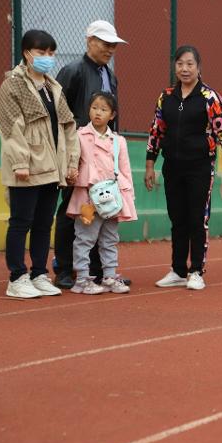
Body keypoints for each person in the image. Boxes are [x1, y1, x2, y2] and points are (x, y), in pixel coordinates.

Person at [145, 45, 222, 290]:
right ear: (174, 66)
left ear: (198, 67)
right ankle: (178, 270)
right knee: (177, 218)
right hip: (172, 167)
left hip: (200, 166)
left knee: (198, 218)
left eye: (190, 64)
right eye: (180, 64)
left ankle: (196, 270)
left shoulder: (210, 98)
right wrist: (149, 165)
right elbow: (157, 131)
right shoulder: (166, 96)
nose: (184, 69)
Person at [0, 30, 79, 299]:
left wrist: (70, 163)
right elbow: (10, 128)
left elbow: (68, 127)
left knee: (44, 224)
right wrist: (21, 162)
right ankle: (17, 276)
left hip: (51, 168)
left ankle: (39, 273)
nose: (47, 58)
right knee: (21, 222)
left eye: (51, 53)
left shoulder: (53, 87)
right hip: (27, 167)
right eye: (41, 52)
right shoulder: (13, 85)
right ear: (26, 52)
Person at [53, 20, 128, 289]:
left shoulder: (111, 75)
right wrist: (70, 153)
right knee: (71, 210)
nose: (110, 49)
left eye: (113, 45)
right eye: (105, 43)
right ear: (89, 41)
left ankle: (99, 270)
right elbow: (59, 113)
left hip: (106, 156)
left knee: (104, 210)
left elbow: (112, 113)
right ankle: (64, 269)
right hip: (79, 155)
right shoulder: (72, 71)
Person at [66, 92, 137, 294]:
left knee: (109, 238)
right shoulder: (80, 135)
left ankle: (109, 276)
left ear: (112, 115)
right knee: (84, 238)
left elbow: (125, 170)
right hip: (87, 197)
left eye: (104, 109)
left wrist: (128, 196)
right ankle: (81, 279)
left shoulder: (118, 141)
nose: (98, 112)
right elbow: (72, 161)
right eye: (95, 107)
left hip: (112, 199)